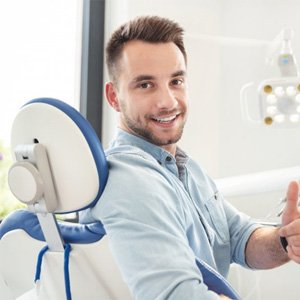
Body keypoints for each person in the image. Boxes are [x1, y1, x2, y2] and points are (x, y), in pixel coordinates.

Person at [80, 16, 300, 299]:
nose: (168, 101)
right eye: (145, 85)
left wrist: (284, 239)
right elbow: (175, 295)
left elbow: (239, 238)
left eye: (176, 81)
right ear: (113, 97)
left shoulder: (186, 168)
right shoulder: (129, 181)